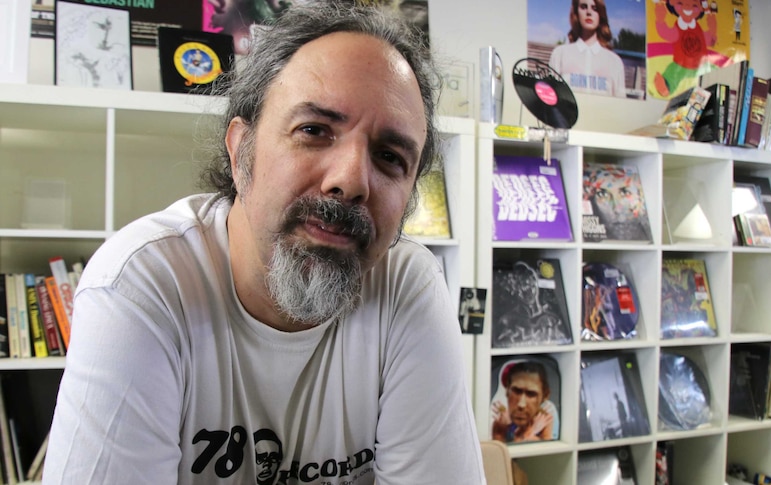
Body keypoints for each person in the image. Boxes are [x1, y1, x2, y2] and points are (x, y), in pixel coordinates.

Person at [42, 3, 485, 484]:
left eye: (390, 156)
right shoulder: (142, 284)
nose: (352, 180)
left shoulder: (405, 286)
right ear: (240, 152)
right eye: (314, 131)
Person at [548, 0, 626, 98]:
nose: (589, 12)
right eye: (584, 7)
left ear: (601, 15)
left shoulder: (614, 62)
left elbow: (621, 106)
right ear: (576, 12)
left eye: (595, 8)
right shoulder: (560, 54)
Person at [490, 360, 557, 443]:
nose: (521, 404)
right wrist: (532, 432)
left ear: (545, 395)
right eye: (516, 391)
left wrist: (530, 432)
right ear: (507, 391)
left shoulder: (544, 417)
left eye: (531, 394)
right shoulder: (501, 420)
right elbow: (498, 453)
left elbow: (548, 451)